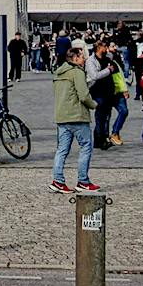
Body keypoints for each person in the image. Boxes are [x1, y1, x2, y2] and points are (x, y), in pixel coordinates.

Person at [50, 43, 99, 195]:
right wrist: (94, 105)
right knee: (86, 147)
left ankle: (57, 181)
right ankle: (83, 181)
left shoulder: (58, 73)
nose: (84, 59)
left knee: (62, 150)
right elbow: (83, 95)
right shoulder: (76, 72)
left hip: (62, 116)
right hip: (77, 116)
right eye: (82, 57)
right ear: (75, 58)